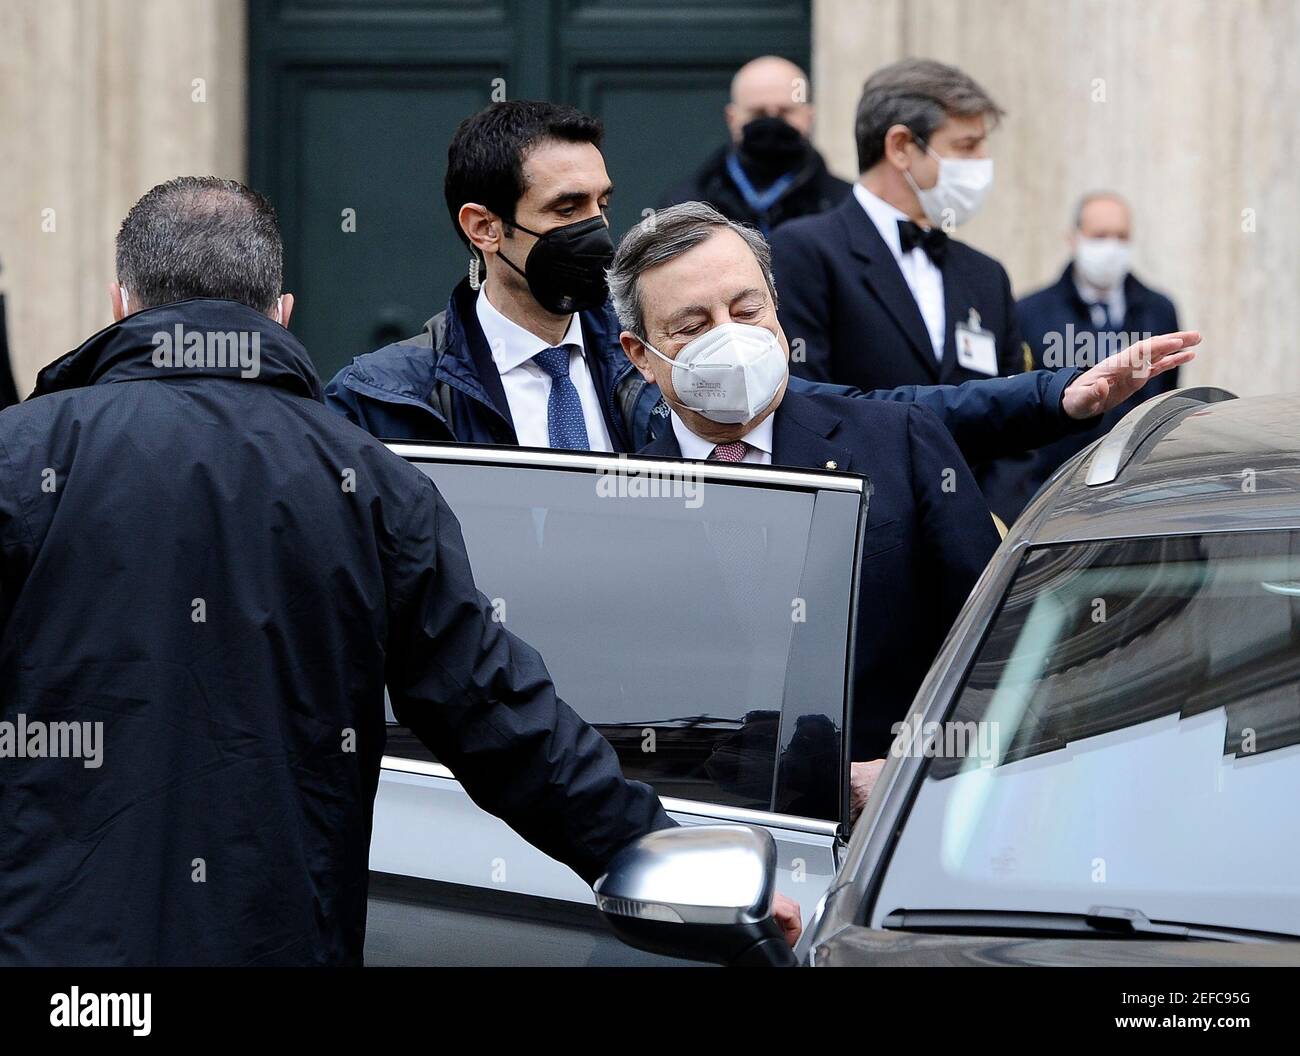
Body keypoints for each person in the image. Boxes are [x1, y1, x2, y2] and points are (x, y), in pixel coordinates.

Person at [0, 177, 809, 965]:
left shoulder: (19, 458)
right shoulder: (369, 482)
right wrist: (649, 844)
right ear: (282, 313)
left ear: (121, 305)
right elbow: (496, 709)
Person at [607, 202, 1196, 818]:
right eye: (692, 325)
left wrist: (920, 766)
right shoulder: (621, 500)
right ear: (641, 354)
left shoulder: (899, 443)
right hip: (707, 837)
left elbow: (999, 651)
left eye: (747, 309)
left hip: (908, 827)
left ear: (777, 313)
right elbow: (629, 713)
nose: (730, 336)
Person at [325, 101, 1190, 476]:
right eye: (566, 207)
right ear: (484, 227)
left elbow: (872, 410)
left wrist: (1057, 396)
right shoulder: (390, 403)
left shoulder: (645, 364)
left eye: (603, 202)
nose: (597, 225)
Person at [769, 58, 1031, 521]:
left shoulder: (986, 275)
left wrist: (993, 522)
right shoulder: (804, 251)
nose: (981, 166)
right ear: (902, 147)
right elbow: (811, 405)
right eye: (966, 146)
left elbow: (1014, 423)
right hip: (864, 530)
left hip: (982, 546)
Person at [1005, 191, 1182, 515]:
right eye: (1099, 236)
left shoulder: (1158, 310)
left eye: (1121, 236)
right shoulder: (1029, 314)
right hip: (1056, 493)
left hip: (1139, 493)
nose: (1111, 247)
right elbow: (1022, 406)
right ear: (1073, 239)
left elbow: (1166, 396)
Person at [657, 55, 851, 235]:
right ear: (732, 118)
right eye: (758, 113)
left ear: (809, 117)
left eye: (785, 112)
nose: (772, 123)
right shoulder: (685, 207)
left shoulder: (845, 206)